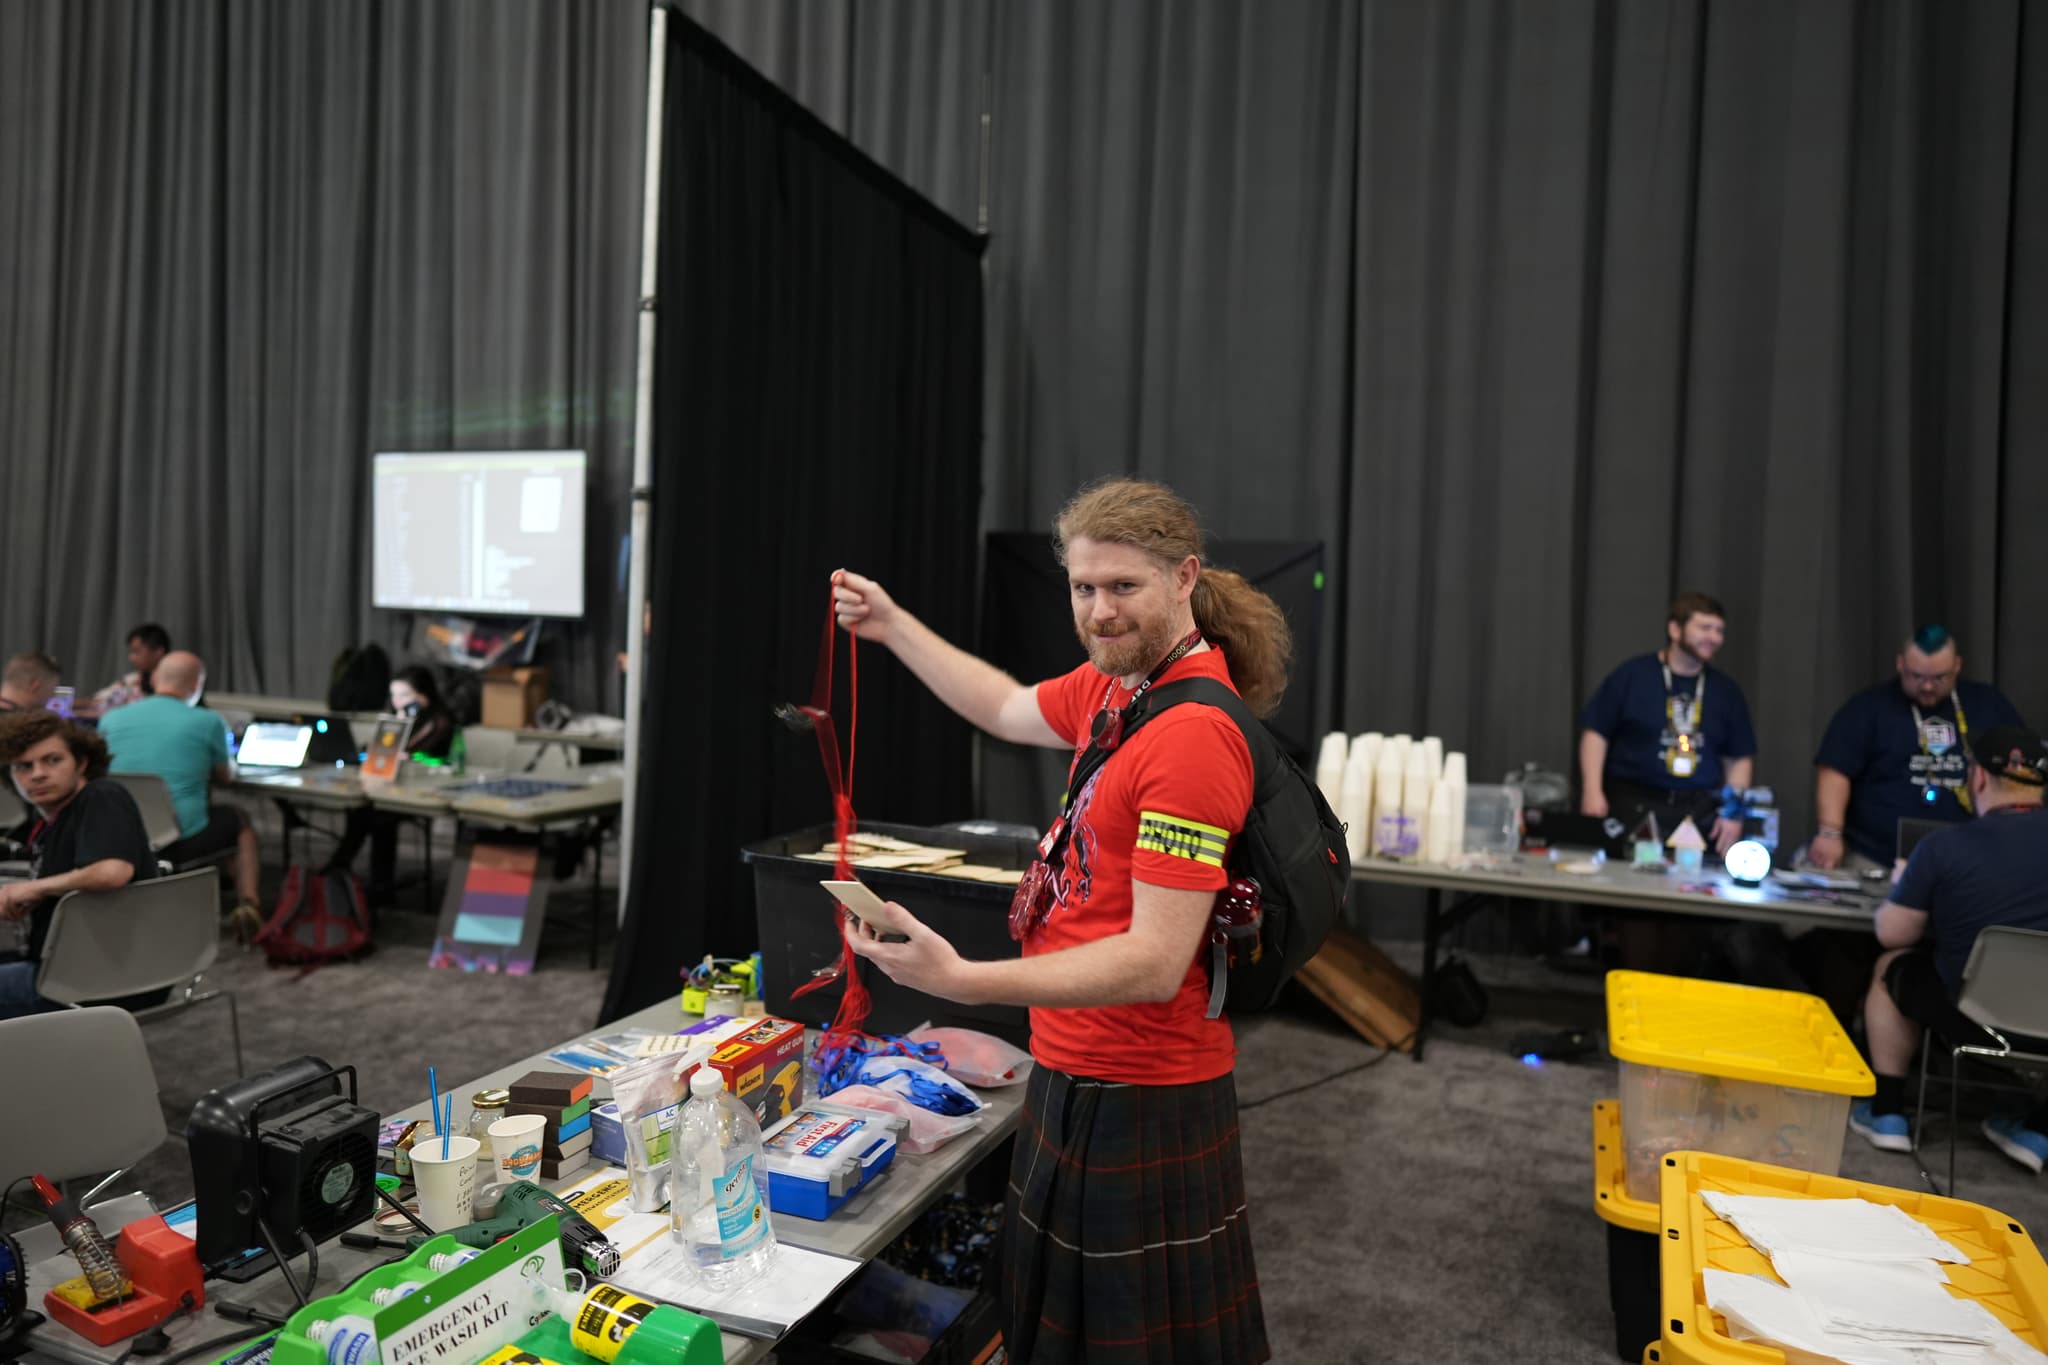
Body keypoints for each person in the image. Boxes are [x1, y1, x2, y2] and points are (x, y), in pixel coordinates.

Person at [832, 478, 1273, 1365]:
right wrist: (891, 623)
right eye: (1083, 589)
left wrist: (960, 980)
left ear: (1184, 577)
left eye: (1123, 587)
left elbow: (1154, 962)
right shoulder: (1121, 689)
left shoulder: (1189, 734)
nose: (1100, 611)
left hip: (1140, 1087)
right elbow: (1001, 705)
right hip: (1077, 1066)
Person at [1847, 725, 2048, 1169]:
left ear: (1977, 779)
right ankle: (2038, 1129)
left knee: (1893, 964)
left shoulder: (1943, 848)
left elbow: (1892, 933)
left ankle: (1888, 1114)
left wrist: (1907, 887)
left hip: (1975, 1018)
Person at [1807, 625, 2025, 873]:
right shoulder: (1868, 708)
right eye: (1917, 676)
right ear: (1900, 665)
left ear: (1957, 666)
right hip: (1876, 858)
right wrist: (1829, 831)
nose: (1928, 687)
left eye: (1939, 677)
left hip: (1970, 859)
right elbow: (1835, 769)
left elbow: (2022, 768)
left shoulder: (1989, 705)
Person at [0, 712, 159, 1018]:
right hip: (74, 965)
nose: (38, 774)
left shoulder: (101, 796)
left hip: (99, 977)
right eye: (23, 767)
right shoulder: (48, 819)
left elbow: (113, 872)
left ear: (82, 763)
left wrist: (35, 888)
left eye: (53, 760)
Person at [96, 650, 265, 932]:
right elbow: (225, 777)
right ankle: (249, 904)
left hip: (122, 834)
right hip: (179, 836)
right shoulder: (207, 721)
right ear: (196, 686)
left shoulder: (111, 720)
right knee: (239, 821)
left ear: (155, 679)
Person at [1579, 592, 1757, 854]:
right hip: (1634, 803)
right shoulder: (1633, 675)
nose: (1714, 638)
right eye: (1704, 628)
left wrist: (1733, 812)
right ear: (1675, 629)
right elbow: (1596, 734)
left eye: (1719, 630)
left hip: (1697, 811)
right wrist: (1592, 791)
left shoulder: (1726, 691)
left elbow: (1739, 758)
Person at [323, 665, 456, 901]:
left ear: (423, 695)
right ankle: (349, 872)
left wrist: (411, 753)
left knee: (375, 817)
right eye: (394, 695)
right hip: (388, 786)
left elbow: (436, 759)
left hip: (423, 789)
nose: (397, 702)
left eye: (404, 695)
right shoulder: (396, 718)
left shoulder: (440, 722)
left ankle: (364, 878)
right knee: (363, 810)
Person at [93, 623, 171, 712]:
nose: (131, 658)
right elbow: (99, 700)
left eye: (136, 651)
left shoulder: (175, 682)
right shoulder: (132, 679)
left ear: (158, 651)